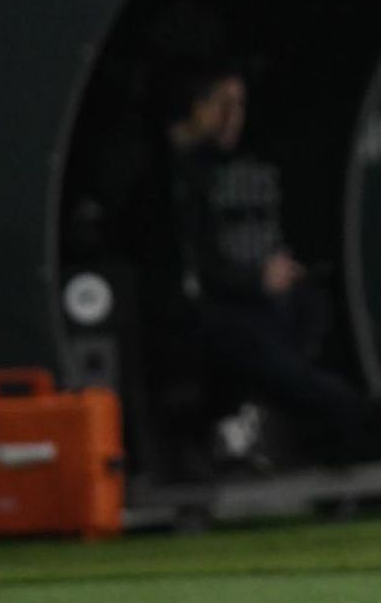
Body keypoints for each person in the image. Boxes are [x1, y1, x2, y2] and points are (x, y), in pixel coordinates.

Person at [125, 61, 366, 472]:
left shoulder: (211, 170)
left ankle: (268, 431)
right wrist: (255, 280)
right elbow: (192, 269)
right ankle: (345, 425)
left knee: (304, 307)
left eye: (241, 106)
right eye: (226, 105)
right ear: (198, 107)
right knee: (306, 378)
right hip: (185, 317)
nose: (236, 118)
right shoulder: (159, 174)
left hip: (234, 307)